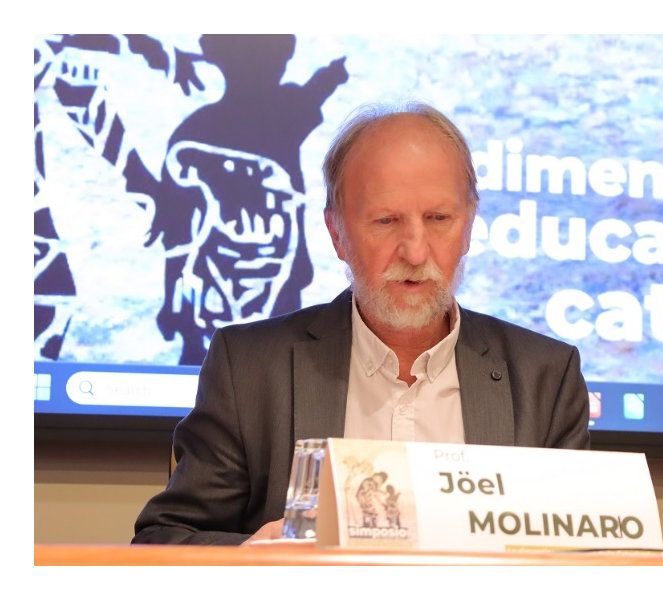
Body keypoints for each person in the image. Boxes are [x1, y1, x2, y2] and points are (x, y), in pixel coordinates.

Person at [132, 102, 590, 545]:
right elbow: (164, 539)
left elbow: (583, 558)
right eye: (386, 221)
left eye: (439, 219)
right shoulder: (251, 369)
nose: (415, 251)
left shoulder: (544, 379)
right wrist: (255, 556)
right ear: (337, 233)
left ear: (468, 224)